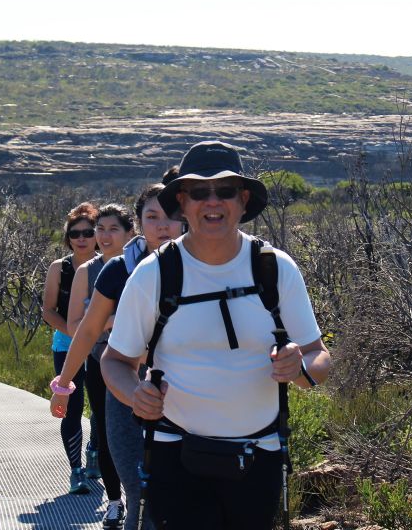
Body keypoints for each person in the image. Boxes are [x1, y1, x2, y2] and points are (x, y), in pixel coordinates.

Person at [101, 141, 331, 530]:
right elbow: (115, 361)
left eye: (225, 191)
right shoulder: (154, 274)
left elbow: (318, 357)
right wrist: (134, 396)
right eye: (199, 192)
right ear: (183, 203)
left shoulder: (275, 270)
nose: (213, 201)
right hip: (175, 455)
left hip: (259, 457)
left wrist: (300, 368)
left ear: (242, 201)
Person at [52, 170, 182, 530]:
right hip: (125, 391)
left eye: (172, 217)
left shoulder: (208, 269)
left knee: (182, 496)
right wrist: (63, 385)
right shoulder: (118, 271)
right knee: (139, 494)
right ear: (139, 224)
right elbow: (88, 329)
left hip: (187, 395)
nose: (163, 226)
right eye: (152, 217)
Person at [65, 204, 135, 505]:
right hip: (99, 361)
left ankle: (140, 500)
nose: (104, 236)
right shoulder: (87, 271)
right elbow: (74, 326)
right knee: (107, 431)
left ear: (130, 232)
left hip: (140, 363)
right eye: (100, 229)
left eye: (113, 229)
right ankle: (114, 501)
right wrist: (107, 320)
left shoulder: (143, 267)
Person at [42, 202, 99, 495]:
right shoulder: (59, 269)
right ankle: (75, 470)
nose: (82, 238)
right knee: (72, 408)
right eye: (75, 233)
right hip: (66, 346)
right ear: (68, 238)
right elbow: (48, 310)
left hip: (103, 347)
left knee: (102, 410)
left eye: (88, 232)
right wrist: (75, 333)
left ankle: (95, 452)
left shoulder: (109, 266)